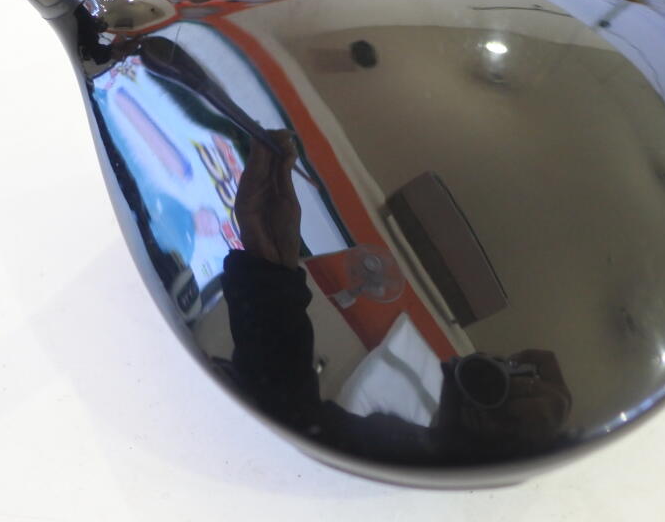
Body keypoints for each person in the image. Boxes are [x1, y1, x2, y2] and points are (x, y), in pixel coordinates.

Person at [219, 131, 572, 464]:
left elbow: (291, 430)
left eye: (497, 381)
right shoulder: (407, 449)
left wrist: (485, 462)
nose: (482, 369)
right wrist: (271, 260)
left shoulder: (408, 465)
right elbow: (292, 418)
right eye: (496, 366)